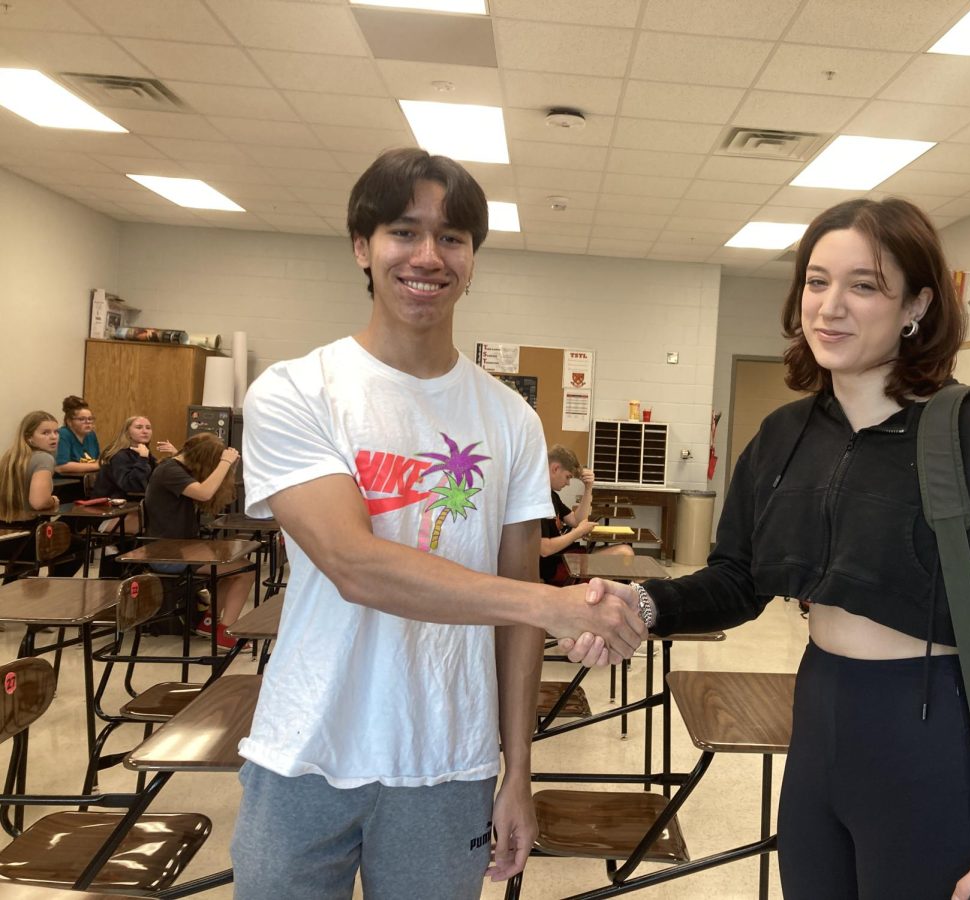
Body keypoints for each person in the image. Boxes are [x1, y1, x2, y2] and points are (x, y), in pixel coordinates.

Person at [565, 198, 970, 900]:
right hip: (820, 720)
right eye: (816, 281)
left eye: (864, 285)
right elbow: (739, 579)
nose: (830, 306)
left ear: (917, 305)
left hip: (930, 738)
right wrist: (642, 603)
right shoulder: (784, 437)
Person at [231, 147, 646, 900]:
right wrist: (553, 605)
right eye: (402, 232)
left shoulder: (510, 420)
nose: (428, 256)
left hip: (450, 761)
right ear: (362, 247)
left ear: (473, 259)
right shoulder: (296, 391)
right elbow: (354, 565)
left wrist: (519, 771)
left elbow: (514, 612)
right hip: (305, 749)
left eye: (451, 238)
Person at [143, 432, 253, 649]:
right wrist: (225, 462)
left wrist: (225, 466)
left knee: (234, 569)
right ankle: (226, 631)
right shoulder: (169, 470)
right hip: (167, 553)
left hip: (182, 548)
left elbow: (210, 494)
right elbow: (204, 493)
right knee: (246, 571)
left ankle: (210, 622)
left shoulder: (178, 469)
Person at [0, 410, 85, 578]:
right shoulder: (43, 459)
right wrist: (52, 500)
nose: (53, 437)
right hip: (25, 539)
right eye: (45, 433)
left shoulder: (10, 457)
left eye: (56, 432)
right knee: (80, 546)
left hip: (6, 538)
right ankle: (53, 587)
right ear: (29, 437)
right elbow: (38, 503)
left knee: (20, 567)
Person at [539, 444, 633, 585]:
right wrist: (578, 533)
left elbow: (577, 520)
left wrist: (588, 488)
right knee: (624, 554)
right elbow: (544, 549)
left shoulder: (552, 496)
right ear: (555, 469)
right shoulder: (539, 499)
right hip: (558, 568)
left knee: (625, 554)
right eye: (567, 477)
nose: (568, 483)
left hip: (567, 559)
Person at [54, 395, 101, 477]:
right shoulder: (63, 434)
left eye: (90, 419)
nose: (88, 422)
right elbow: (61, 466)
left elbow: (97, 459)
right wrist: (97, 466)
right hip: (68, 483)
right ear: (69, 422)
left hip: (87, 481)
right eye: (82, 419)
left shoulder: (91, 435)